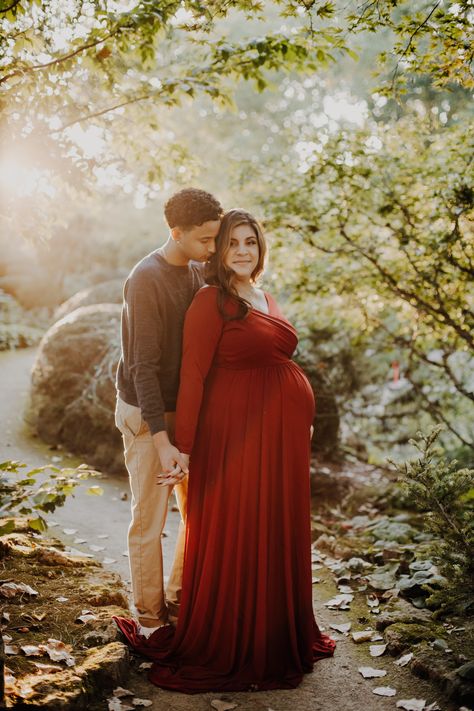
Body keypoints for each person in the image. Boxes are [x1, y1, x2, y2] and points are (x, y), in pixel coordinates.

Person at [114, 208, 336, 691]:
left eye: (248, 242)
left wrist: (303, 423)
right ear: (209, 245)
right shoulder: (206, 297)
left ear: (261, 248)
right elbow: (186, 374)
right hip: (212, 427)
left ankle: (247, 618)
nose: (238, 250)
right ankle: (156, 617)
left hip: (277, 439)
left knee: (251, 523)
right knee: (182, 521)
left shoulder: (263, 295)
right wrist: (181, 446)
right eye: (229, 242)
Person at [115, 187, 223, 636]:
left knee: (196, 510)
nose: (212, 249)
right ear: (175, 233)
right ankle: (150, 617)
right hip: (146, 414)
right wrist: (160, 440)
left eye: (215, 238)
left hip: (185, 412)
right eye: (204, 240)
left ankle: (177, 596)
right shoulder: (146, 279)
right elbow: (143, 367)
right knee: (150, 519)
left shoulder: (196, 272)